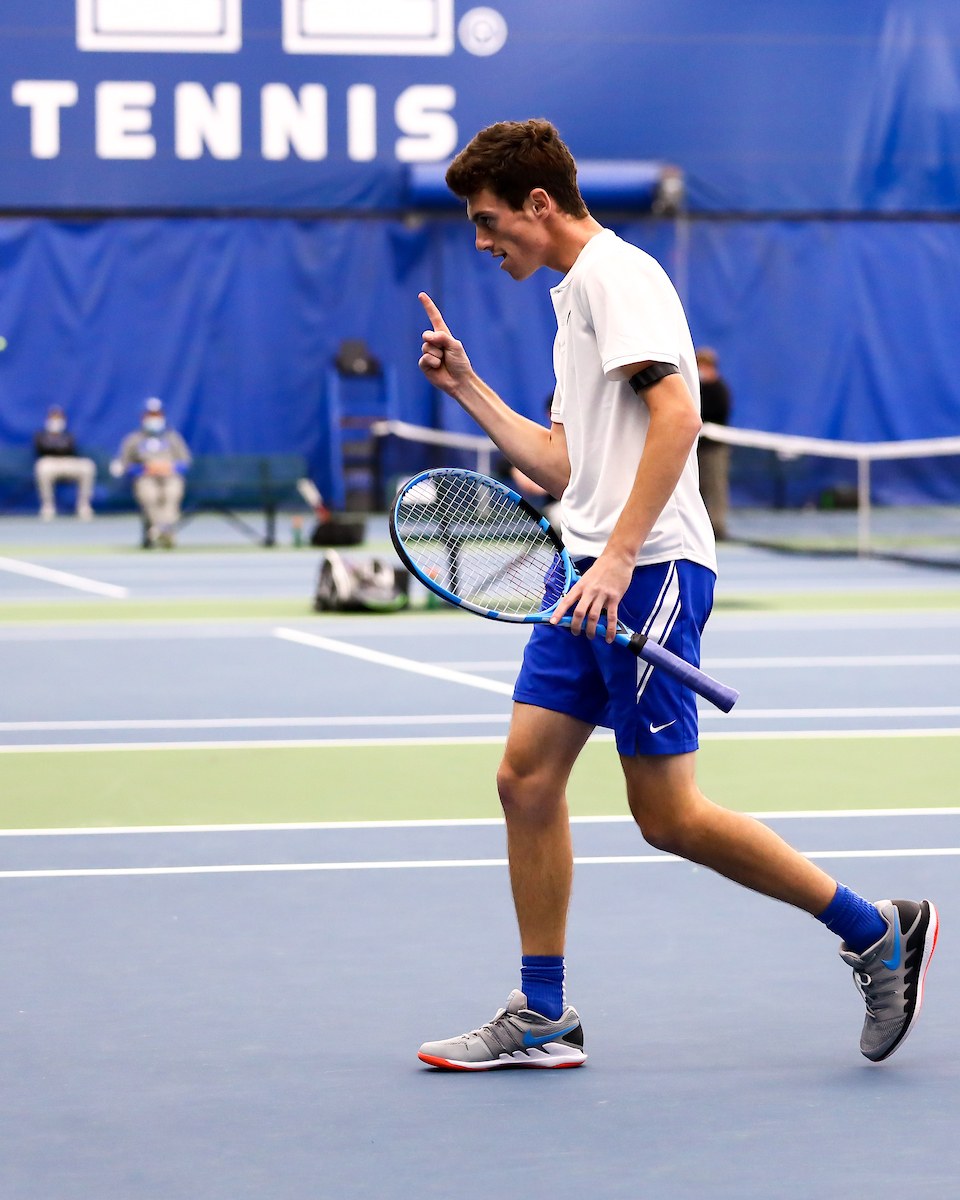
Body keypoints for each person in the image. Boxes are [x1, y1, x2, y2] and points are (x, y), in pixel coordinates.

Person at [414, 119, 937, 1071]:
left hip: (645, 570)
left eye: (488, 221)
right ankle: (544, 1014)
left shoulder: (619, 278)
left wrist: (618, 559)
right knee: (525, 780)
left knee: (669, 817)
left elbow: (679, 416)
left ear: (540, 203)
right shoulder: (574, 297)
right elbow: (561, 467)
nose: (481, 241)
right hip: (585, 572)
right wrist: (470, 389)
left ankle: (876, 931)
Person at [110, 399, 191, 548]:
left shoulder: (173, 437)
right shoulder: (133, 439)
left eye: (157, 415)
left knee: (171, 494)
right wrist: (144, 469)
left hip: (170, 476)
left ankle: (160, 530)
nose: (154, 419)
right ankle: (165, 531)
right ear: (143, 417)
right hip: (145, 478)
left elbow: (185, 462)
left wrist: (170, 467)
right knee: (150, 495)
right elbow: (124, 464)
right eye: (150, 415)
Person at [33, 406, 96, 521]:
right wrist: (57, 448)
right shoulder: (41, 436)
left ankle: (83, 506)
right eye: (53, 418)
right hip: (50, 463)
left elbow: (70, 450)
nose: (56, 421)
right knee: (42, 467)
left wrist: (57, 448)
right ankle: (48, 507)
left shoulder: (68, 436)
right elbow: (41, 450)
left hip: (67, 462)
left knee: (88, 466)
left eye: (58, 418)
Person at [696, 347, 732, 540]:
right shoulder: (695, 388)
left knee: (716, 487)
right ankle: (698, 529)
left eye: (703, 365)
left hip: (715, 449)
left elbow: (718, 414)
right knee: (697, 488)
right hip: (696, 448)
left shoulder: (720, 390)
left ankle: (717, 527)